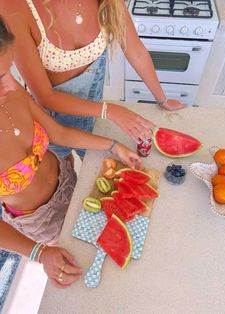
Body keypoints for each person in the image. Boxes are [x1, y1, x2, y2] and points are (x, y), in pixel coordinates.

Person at [0, 16, 143, 288]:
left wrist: (113, 146)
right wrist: (39, 252)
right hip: (41, 220)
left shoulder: (9, 89)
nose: (11, 83)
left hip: (69, 178)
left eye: (8, 70)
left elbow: (59, 133)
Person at [0, 0, 185, 160]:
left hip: (95, 116)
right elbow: (45, 96)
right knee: (65, 174)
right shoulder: (13, 6)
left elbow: (135, 50)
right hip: (52, 122)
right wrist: (110, 110)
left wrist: (162, 99)